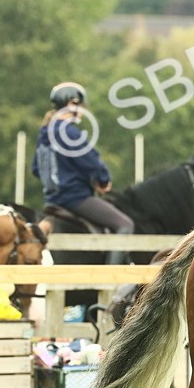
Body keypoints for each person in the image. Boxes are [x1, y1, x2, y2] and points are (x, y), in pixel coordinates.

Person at [33, 82, 135, 265]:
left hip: (52, 200)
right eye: (80, 106)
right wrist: (103, 181)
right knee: (125, 224)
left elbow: (35, 169)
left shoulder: (44, 133)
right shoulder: (70, 133)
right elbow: (92, 162)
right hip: (75, 199)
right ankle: (111, 281)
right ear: (72, 103)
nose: (82, 111)